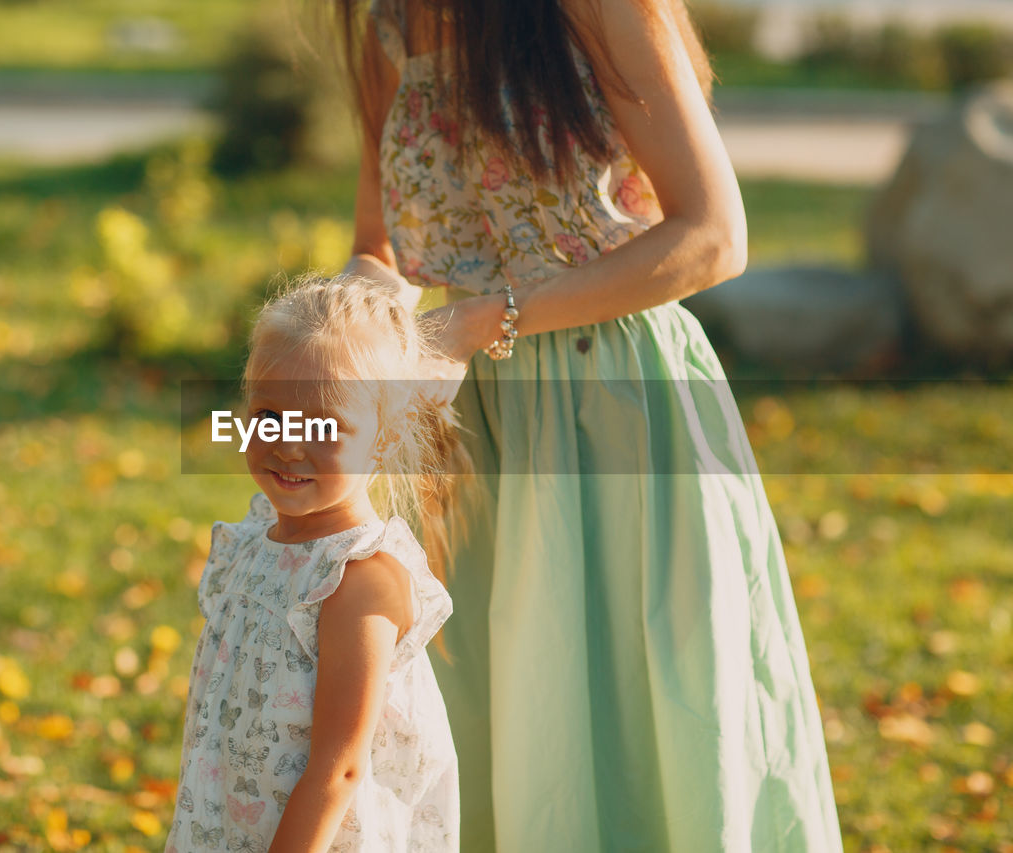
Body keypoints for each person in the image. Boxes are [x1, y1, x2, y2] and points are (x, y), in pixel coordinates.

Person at [334, 0, 844, 849]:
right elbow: (377, 249)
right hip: (465, 422)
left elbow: (714, 235)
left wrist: (482, 319)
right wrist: (334, 331)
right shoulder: (394, 22)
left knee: (636, 712)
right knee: (491, 711)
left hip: (615, 398)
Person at [166, 275, 466, 853]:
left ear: (384, 437)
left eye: (324, 426)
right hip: (232, 814)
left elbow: (341, 767)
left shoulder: (357, 579)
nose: (289, 443)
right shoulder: (255, 537)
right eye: (268, 414)